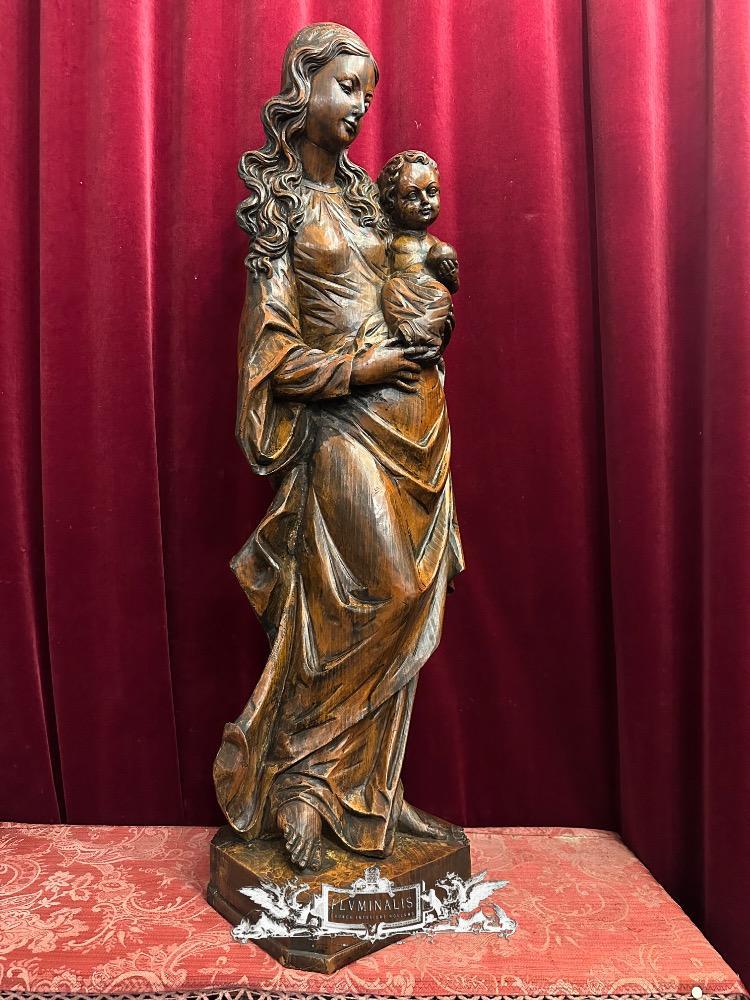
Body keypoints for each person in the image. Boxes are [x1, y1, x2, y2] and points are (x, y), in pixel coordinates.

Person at [213, 22, 465, 873]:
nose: (359, 106)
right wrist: (369, 365)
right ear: (304, 85)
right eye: (346, 86)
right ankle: (299, 781)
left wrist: (432, 316)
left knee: (408, 600)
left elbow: (409, 282)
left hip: (416, 428)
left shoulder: (369, 199)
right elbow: (271, 358)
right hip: (343, 429)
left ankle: (370, 796)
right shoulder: (279, 208)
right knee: (377, 594)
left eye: (368, 92)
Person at [375, 150, 460, 358]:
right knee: (392, 289)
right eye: (413, 195)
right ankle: (410, 336)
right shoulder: (388, 240)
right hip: (401, 302)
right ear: (391, 200)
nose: (425, 201)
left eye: (431, 192)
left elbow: (452, 287)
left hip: (431, 303)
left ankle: (422, 337)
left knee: (442, 297)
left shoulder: (436, 244)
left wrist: (450, 276)